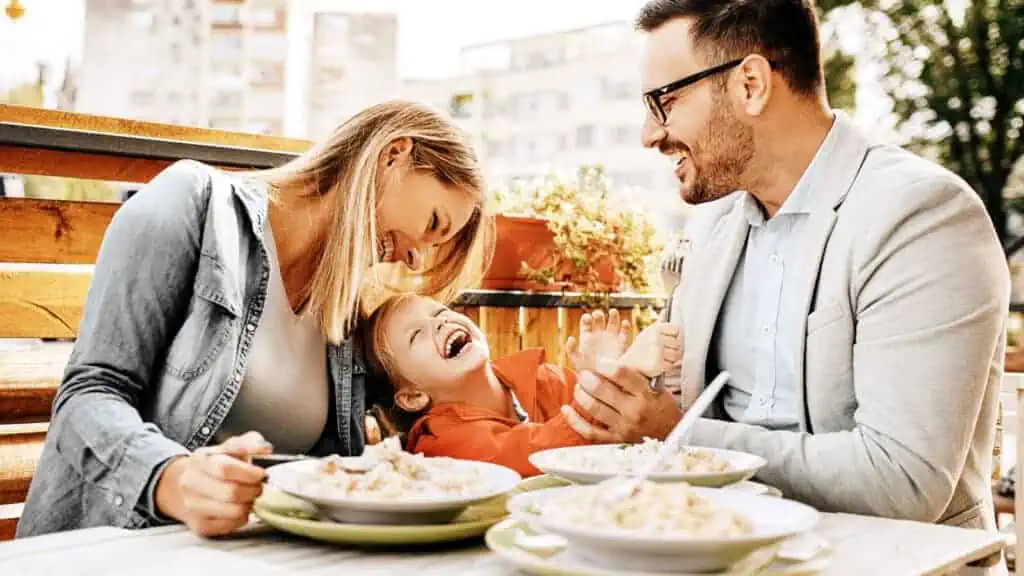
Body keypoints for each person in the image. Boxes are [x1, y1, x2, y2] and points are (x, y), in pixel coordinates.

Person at [563, 0, 1010, 544]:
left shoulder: (921, 215)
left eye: (665, 102)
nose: (649, 134)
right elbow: (681, 407)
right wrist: (626, 395)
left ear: (750, 84)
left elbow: (903, 481)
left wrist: (677, 435)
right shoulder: (711, 230)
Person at [18, 100, 490, 538]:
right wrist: (171, 478)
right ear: (393, 155)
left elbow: (440, 411)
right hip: (120, 549)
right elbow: (88, 394)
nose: (414, 259)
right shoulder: (195, 206)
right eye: (432, 225)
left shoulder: (343, 317)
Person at [360, 293, 681, 476]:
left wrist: (606, 375)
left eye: (440, 311)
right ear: (413, 396)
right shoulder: (441, 440)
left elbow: (623, 429)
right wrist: (614, 377)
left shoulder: (543, 380)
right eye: (416, 335)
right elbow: (539, 452)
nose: (440, 322)